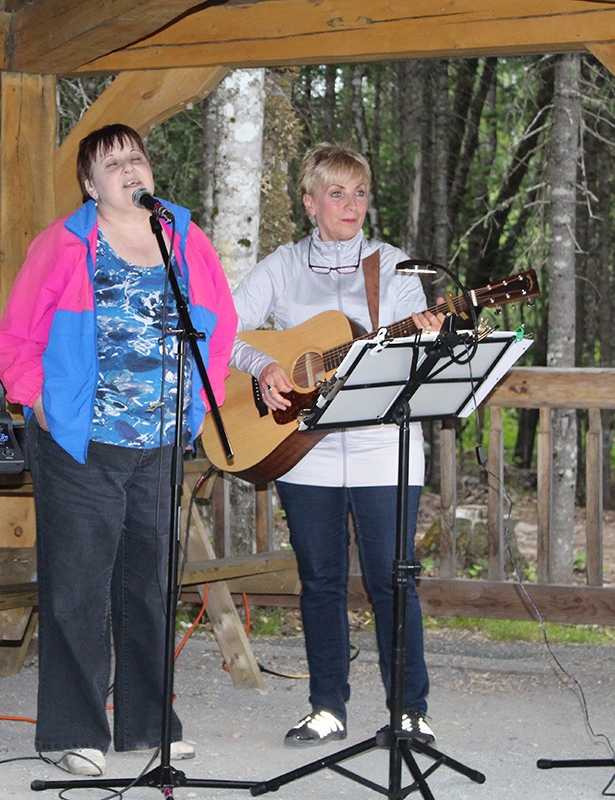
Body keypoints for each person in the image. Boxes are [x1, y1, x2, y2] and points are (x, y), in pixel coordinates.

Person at [0, 123, 238, 777]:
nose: (129, 171)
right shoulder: (65, 244)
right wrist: (39, 403)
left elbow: (220, 326)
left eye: (136, 159)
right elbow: (14, 337)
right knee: (78, 588)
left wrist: (196, 406)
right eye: (111, 164)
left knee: (149, 588)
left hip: (160, 444)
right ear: (90, 185)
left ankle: (148, 727)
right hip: (82, 444)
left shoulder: (185, 239)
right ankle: (73, 732)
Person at [229, 144, 445, 748]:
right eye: (336, 193)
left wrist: (428, 337)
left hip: (384, 445)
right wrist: (263, 366)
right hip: (303, 446)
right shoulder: (282, 266)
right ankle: (327, 706)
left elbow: (416, 362)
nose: (351, 204)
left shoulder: (393, 266)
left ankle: (410, 710)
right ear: (309, 202)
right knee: (320, 580)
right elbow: (220, 328)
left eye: (359, 192)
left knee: (392, 580)